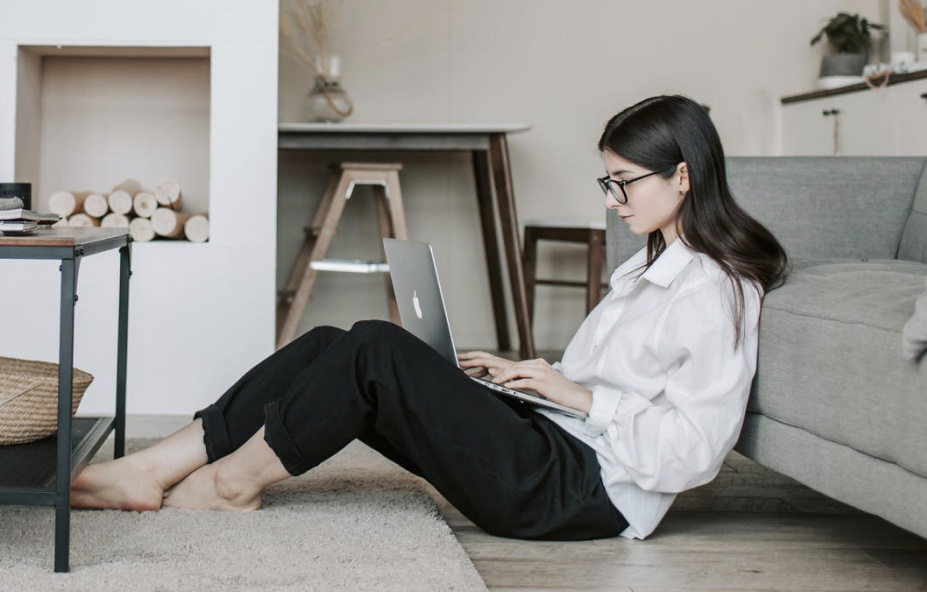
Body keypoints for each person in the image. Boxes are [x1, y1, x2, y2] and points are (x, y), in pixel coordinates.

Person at [71, 95, 789, 541]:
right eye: (608, 181)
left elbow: (695, 454)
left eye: (623, 182)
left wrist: (575, 395)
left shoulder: (715, 292)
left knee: (374, 349)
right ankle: (154, 467)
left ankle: (231, 486)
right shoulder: (650, 269)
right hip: (554, 444)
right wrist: (530, 379)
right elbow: (611, 387)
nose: (611, 200)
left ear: (682, 176)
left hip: (582, 492)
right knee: (329, 343)